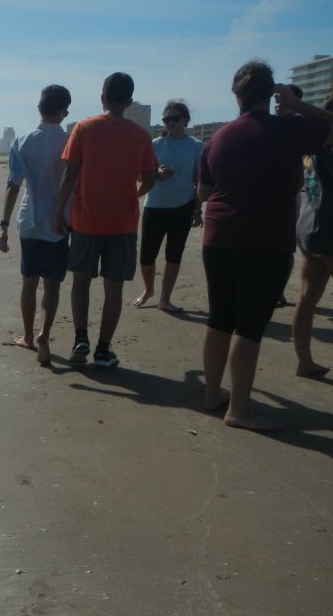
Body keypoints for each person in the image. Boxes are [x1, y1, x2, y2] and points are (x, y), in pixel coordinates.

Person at [197, 62, 333, 431]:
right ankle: (239, 410)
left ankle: (212, 394)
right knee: (250, 326)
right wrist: (295, 102)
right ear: (271, 93)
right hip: (265, 240)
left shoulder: (218, 138)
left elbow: (204, 193)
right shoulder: (288, 128)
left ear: (236, 95)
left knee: (220, 317)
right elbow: (329, 125)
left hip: (219, 235)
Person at [53, 72, 158, 368]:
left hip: (86, 221)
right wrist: (133, 194)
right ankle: (103, 349)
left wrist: (58, 212)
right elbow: (150, 178)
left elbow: (69, 174)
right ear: (129, 101)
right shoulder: (140, 137)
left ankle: (80, 338)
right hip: (122, 224)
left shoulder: (84, 129)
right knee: (114, 288)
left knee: (81, 282)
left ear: (103, 98)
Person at [0, 84, 72, 366]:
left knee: (29, 281)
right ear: (63, 112)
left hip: (29, 220)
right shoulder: (69, 142)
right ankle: (44, 333)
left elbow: (13, 184)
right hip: (59, 221)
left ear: (39, 109)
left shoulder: (21, 141)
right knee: (52, 285)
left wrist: (4, 225)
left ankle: (28, 336)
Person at [133, 100, 204, 312]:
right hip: (155, 206)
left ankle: (165, 298)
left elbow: (198, 180)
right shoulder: (154, 145)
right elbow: (139, 176)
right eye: (166, 119)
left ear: (185, 120)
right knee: (146, 255)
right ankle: (148, 290)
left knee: (174, 255)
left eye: (175, 118)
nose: (170, 123)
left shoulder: (196, 146)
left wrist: (197, 209)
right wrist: (157, 174)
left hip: (183, 206)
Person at [291, 87, 333, 378]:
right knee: (307, 298)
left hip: (309, 224)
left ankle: (304, 361)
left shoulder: (310, 146)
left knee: (307, 298)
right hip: (330, 226)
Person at [273, 83, 307, 308]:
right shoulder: (268, 126)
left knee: (285, 248)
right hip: (263, 197)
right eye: (276, 99)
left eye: (284, 99)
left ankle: (279, 291)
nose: (278, 104)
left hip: (290, 195)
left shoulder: (302, 127)